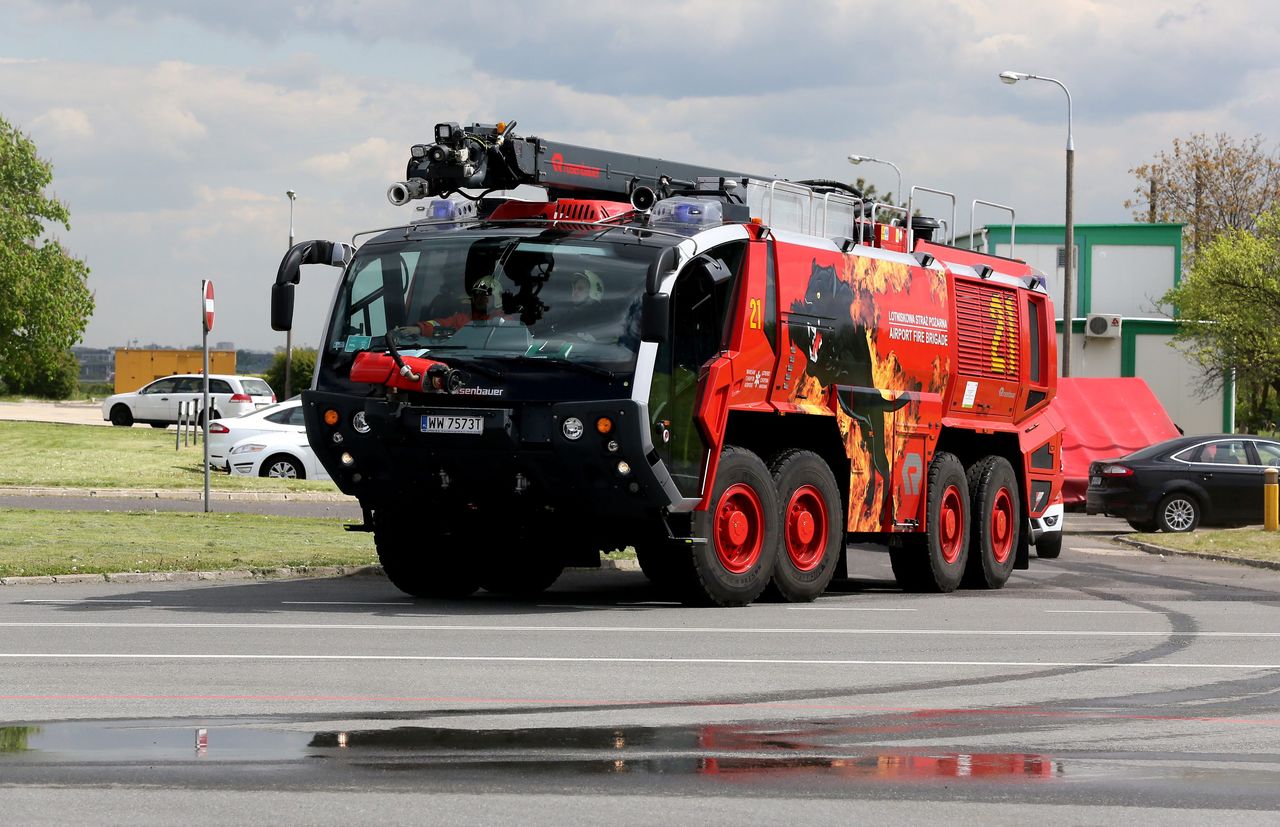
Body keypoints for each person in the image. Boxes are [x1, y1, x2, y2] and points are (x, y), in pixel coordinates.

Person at [417, 273, 506, 335]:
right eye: (477, 295)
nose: (479, 300)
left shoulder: (504, 322)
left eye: (484, 296)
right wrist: (419, 328)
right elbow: (440, 323)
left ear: (496, 299)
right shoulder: (463, 319)